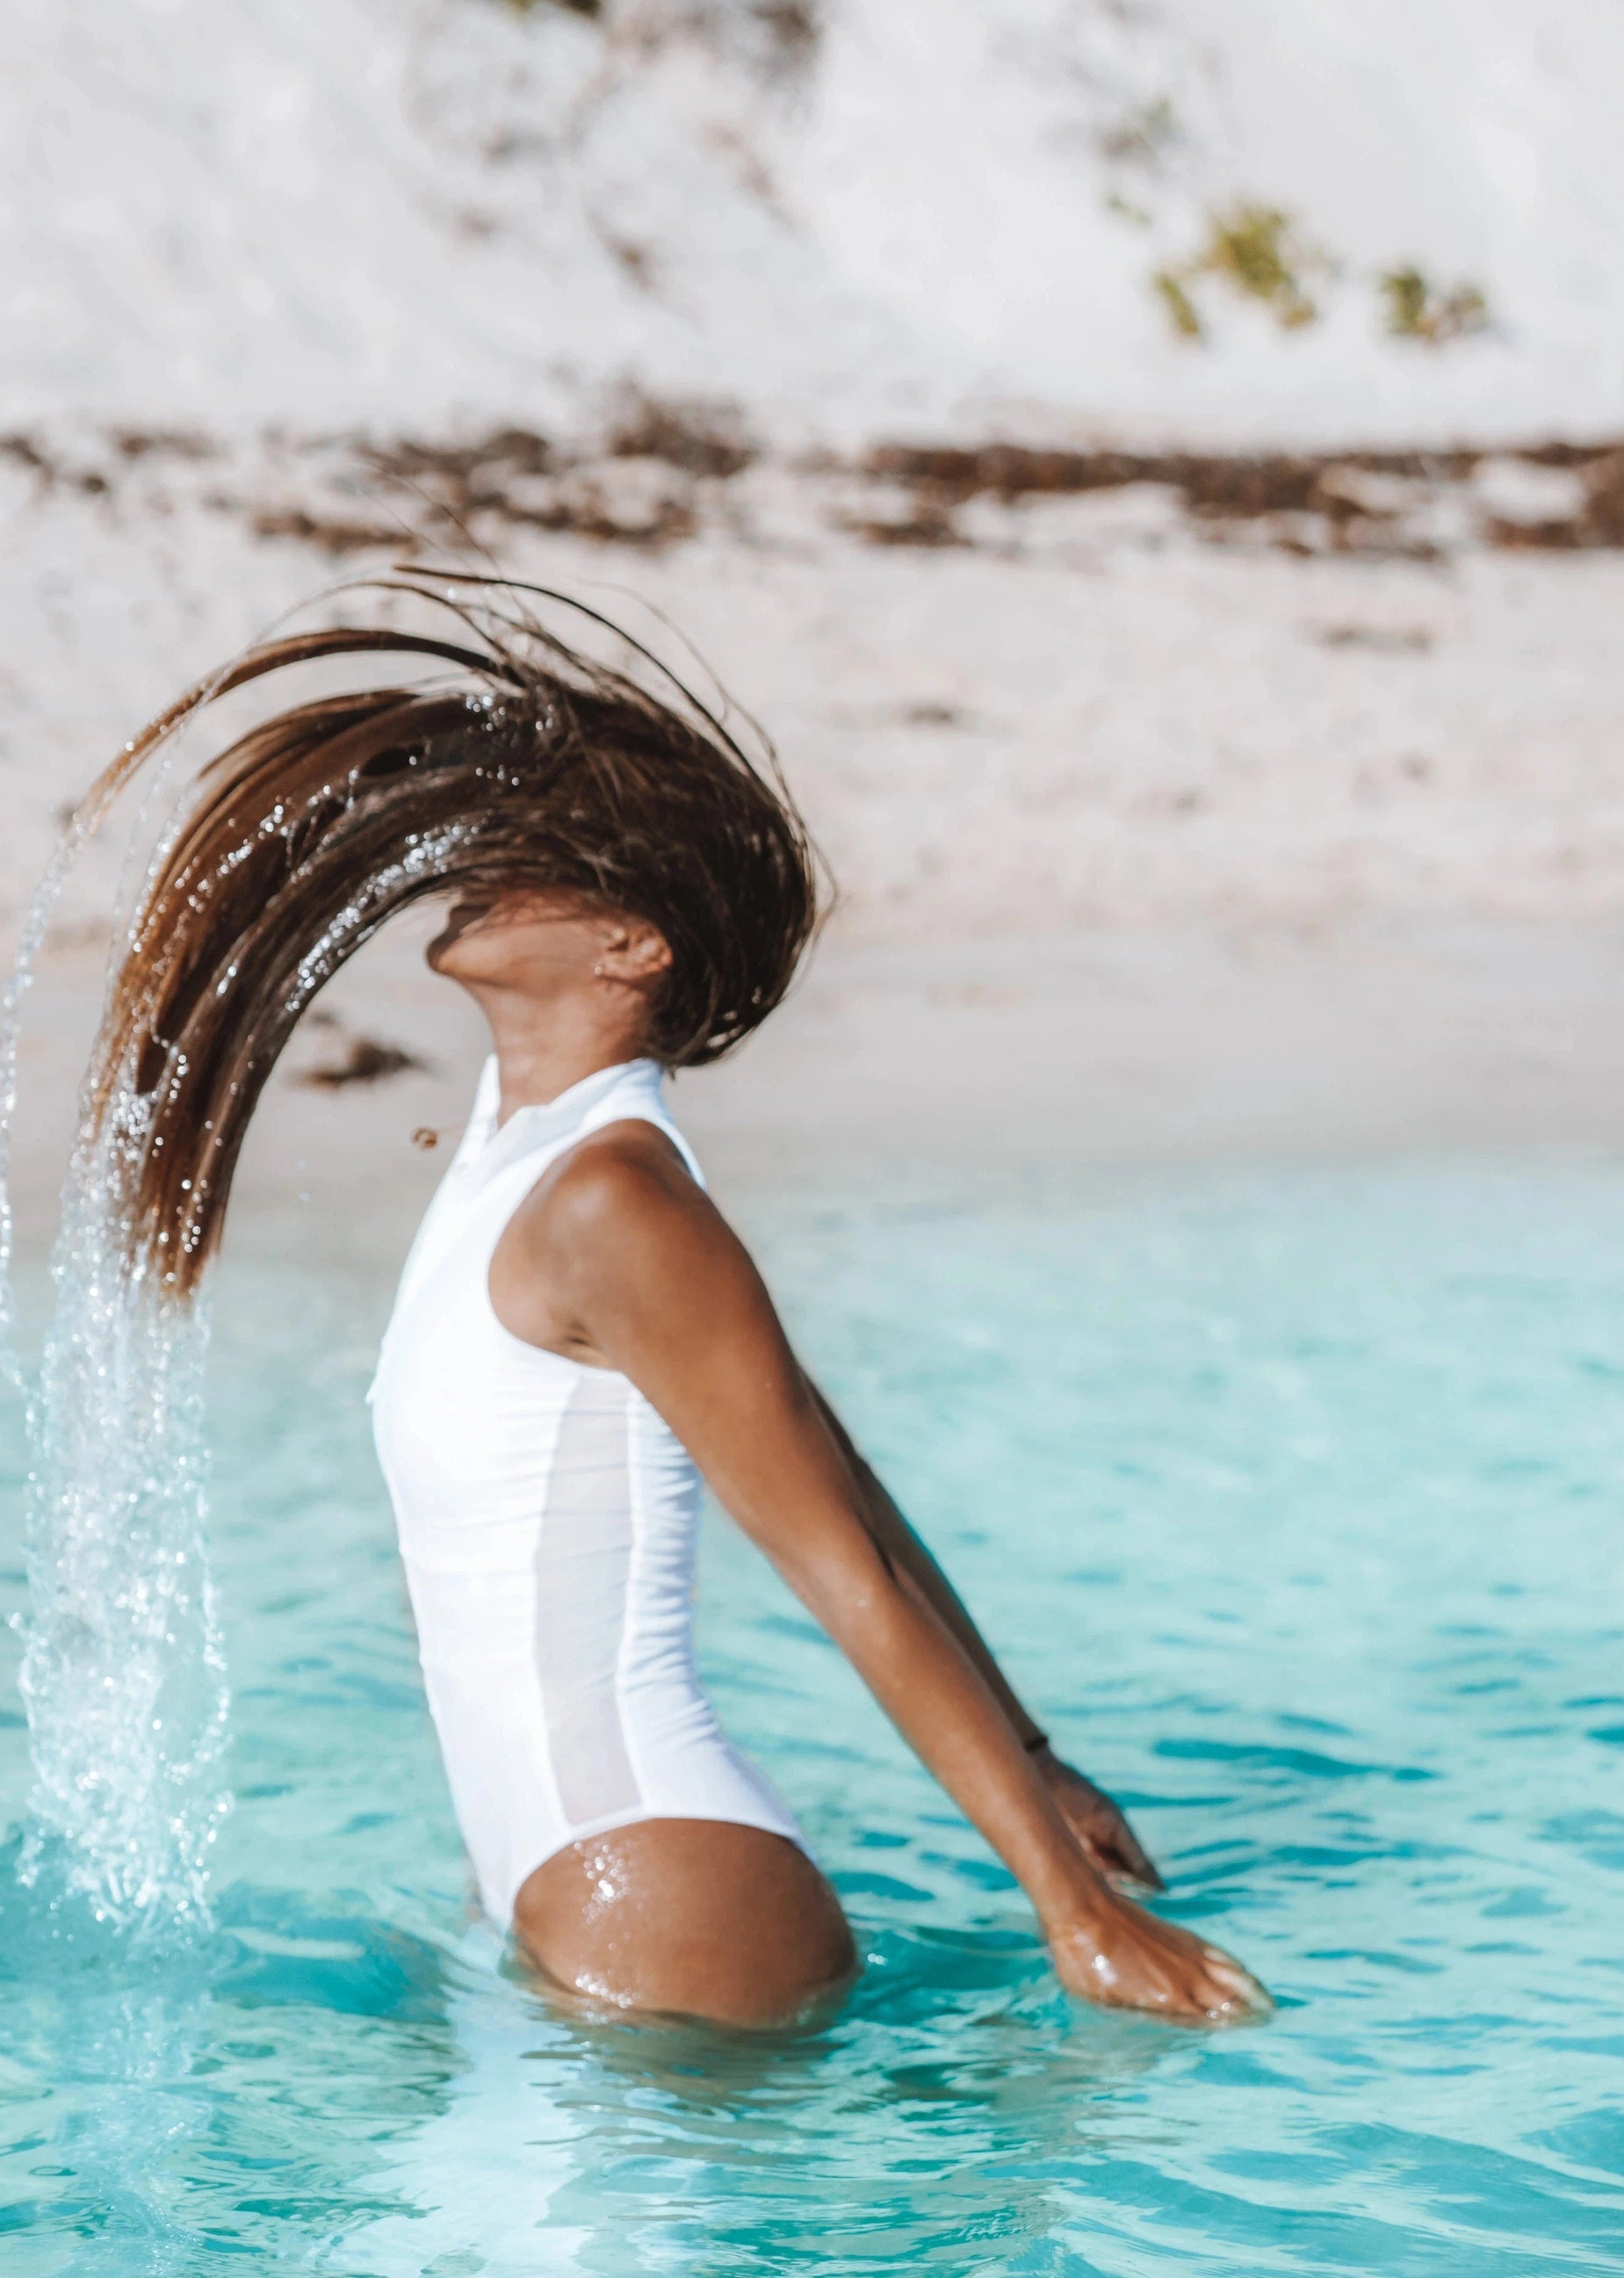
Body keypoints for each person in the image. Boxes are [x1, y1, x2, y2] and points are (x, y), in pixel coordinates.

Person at [67, 582, 1268, 2031]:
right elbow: (855, 1477)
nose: (489, 872)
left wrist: (1073, 1918)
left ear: (636, 948)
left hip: (663, 1901)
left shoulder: (615, 1204)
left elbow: (843, 1567)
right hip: (567, 1884)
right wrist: (1037, 1754)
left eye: (549, 864)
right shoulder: (518, 1153)